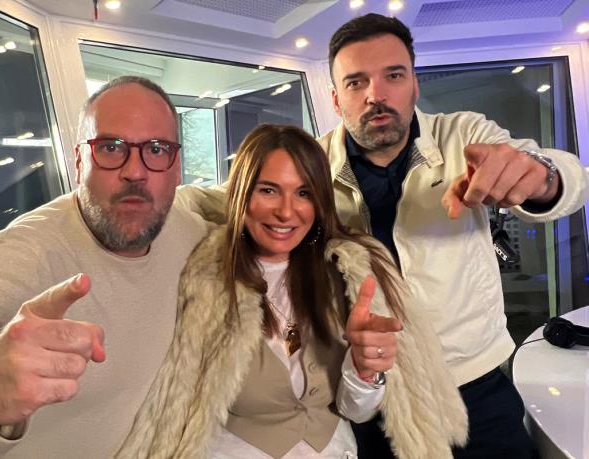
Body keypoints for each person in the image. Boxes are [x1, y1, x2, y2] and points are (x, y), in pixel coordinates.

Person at [176, 14, 589, 458]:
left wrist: (539, 176)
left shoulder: (463, 136)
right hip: (369, 387)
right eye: (356, 82)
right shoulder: (312, 165)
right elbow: (222, 199)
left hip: (472, 387)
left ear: (414, 84)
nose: (376, 95)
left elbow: (562, 175)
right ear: (336, 99)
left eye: (393, 76)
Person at [0, 76, 209, 458]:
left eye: (157, 149)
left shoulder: (189, 231)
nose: (135, 171)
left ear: (176, 168)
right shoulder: (22, 255)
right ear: (79, 162)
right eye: (110, 148)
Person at [118, 124, 467, 459]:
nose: (286, 212)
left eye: (304, 193)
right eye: (268, 190)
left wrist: (365, 369)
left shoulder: (346, 275)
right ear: (240, 193)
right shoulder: (206, 281)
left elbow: (355, 411)